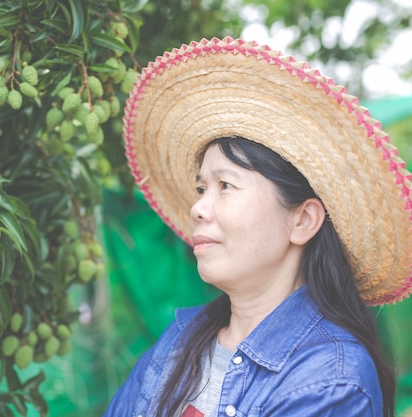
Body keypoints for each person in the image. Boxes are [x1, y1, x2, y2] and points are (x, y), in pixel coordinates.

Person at [103, 37, 412, 417]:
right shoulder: (180, 339)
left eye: (225, 186)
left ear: (302, 220)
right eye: (201, 188)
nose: (198, 207)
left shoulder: (331, 381)